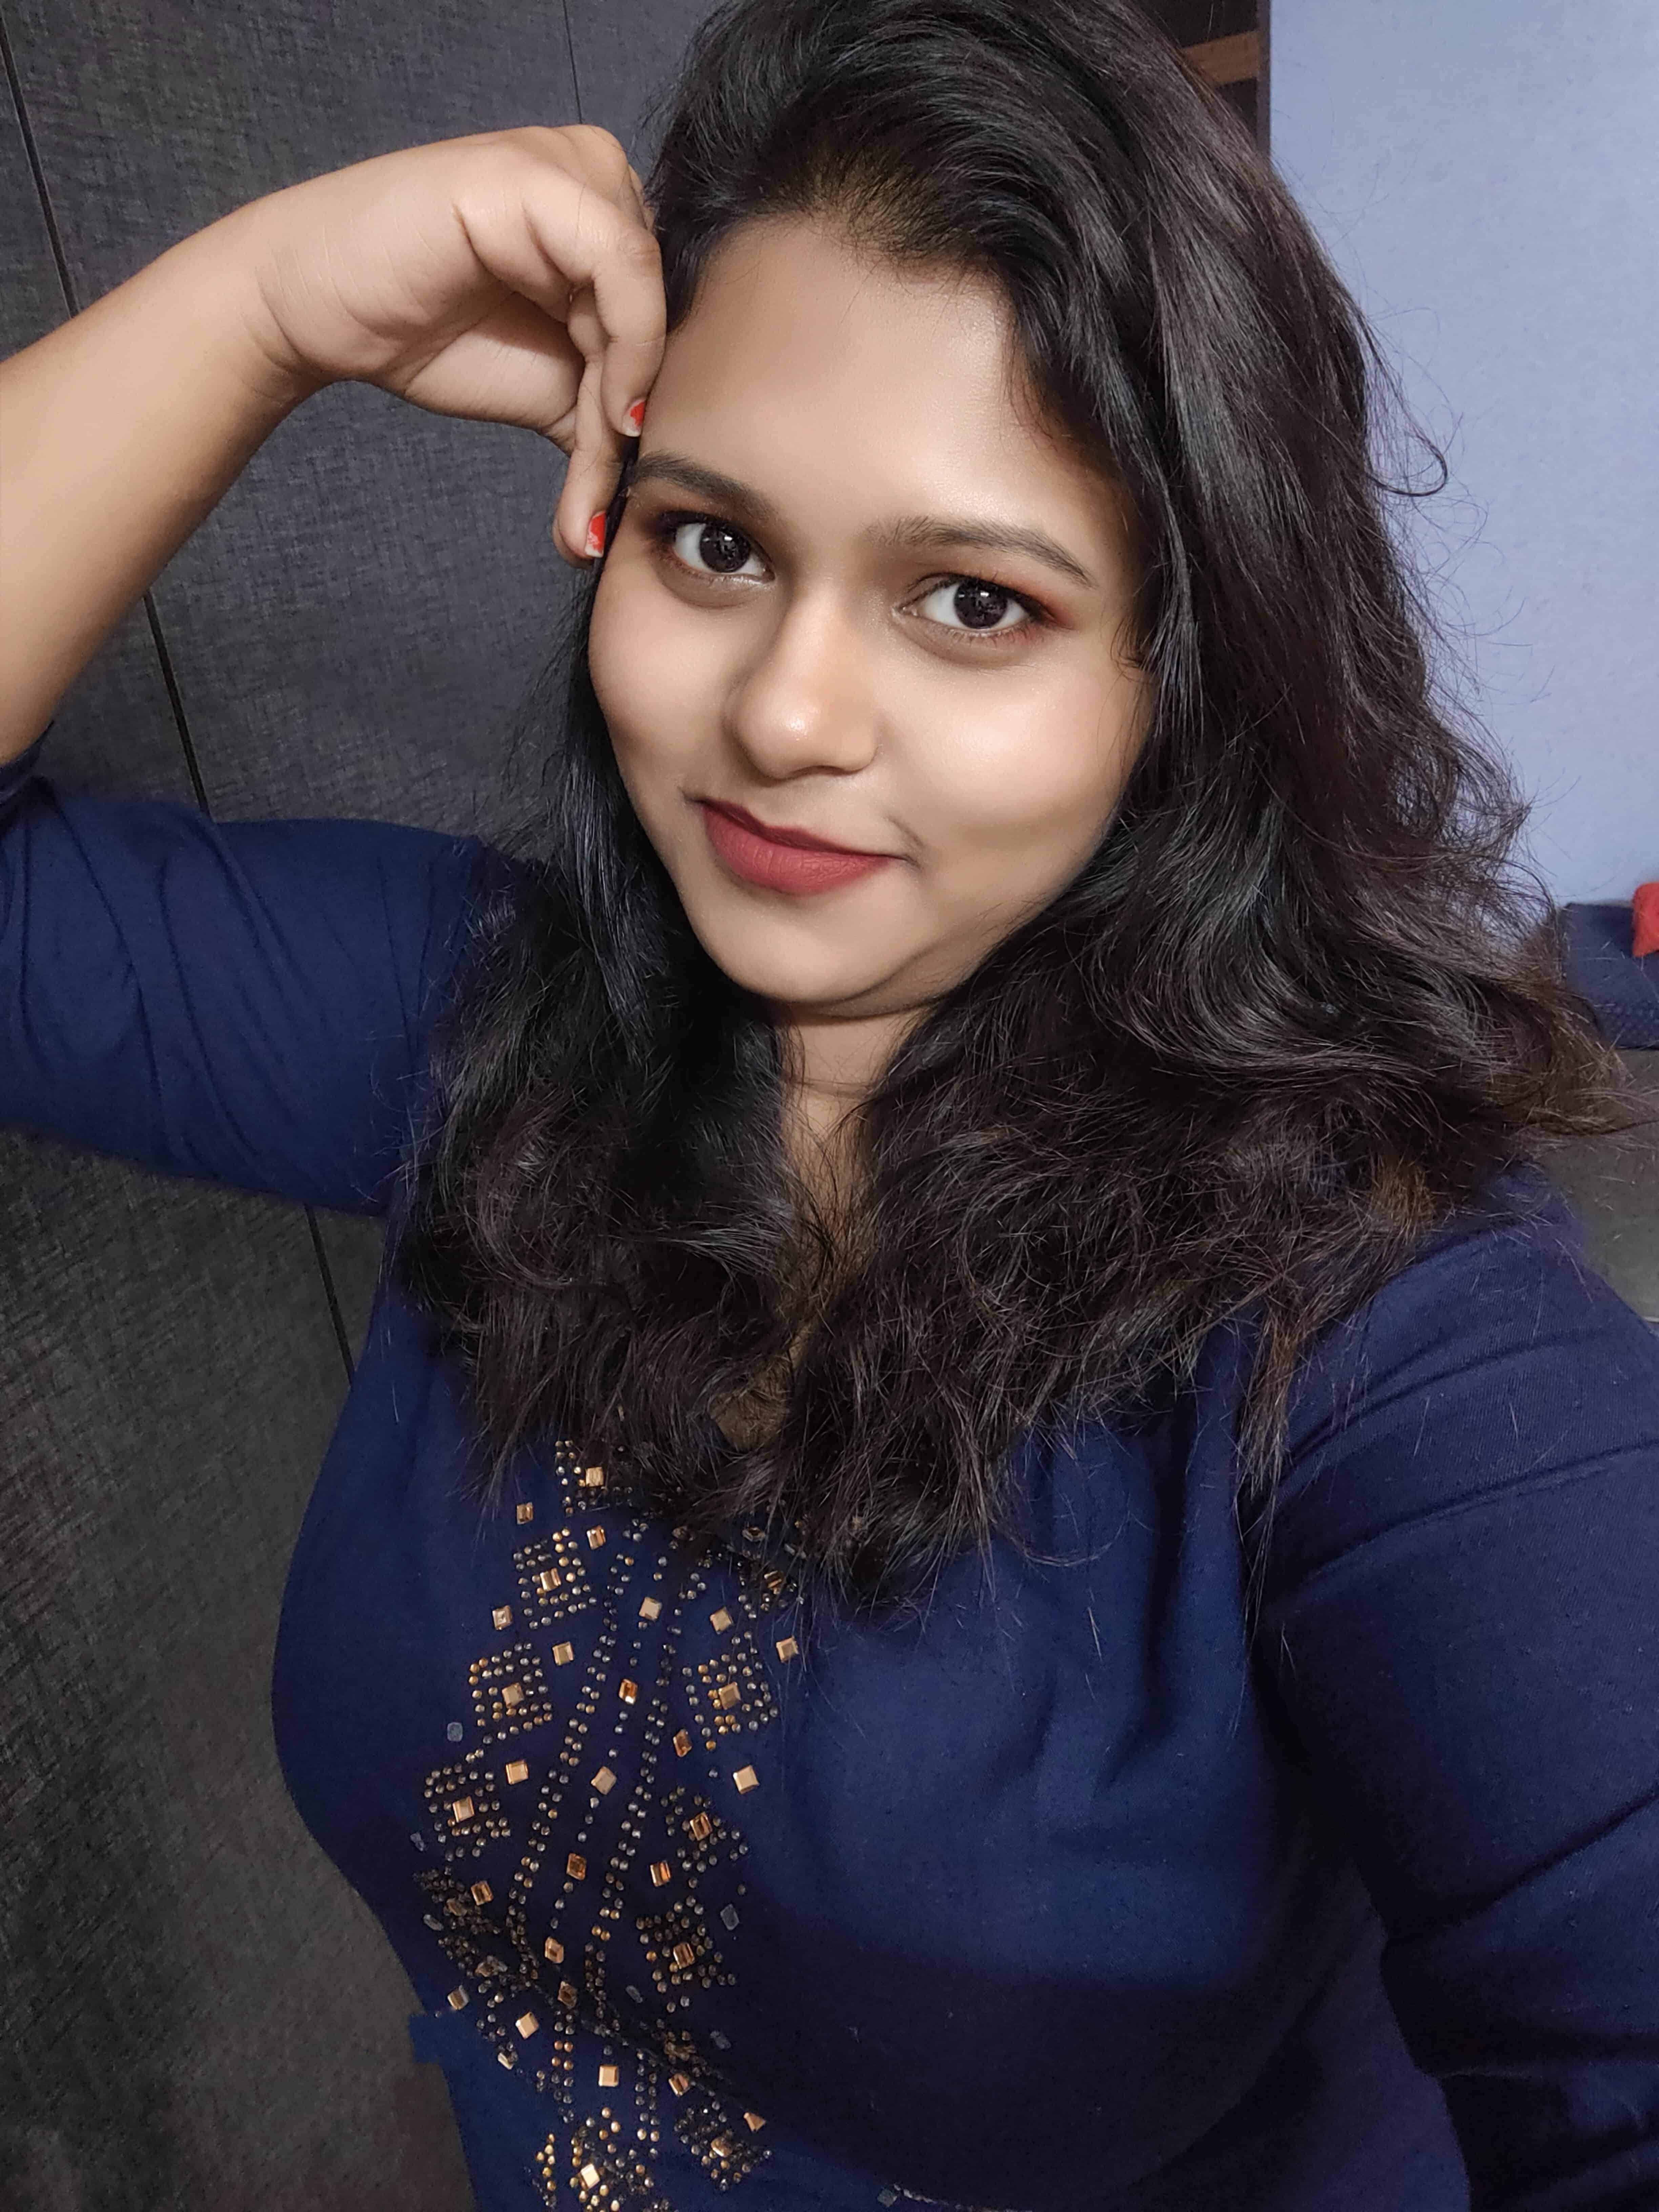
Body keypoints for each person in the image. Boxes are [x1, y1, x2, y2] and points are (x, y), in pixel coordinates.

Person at [3, 1, 1657, 2206]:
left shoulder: (1386, 1338)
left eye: (973, 600)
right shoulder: (483, 1023)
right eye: (713, 543)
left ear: (1182, 686)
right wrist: (257, 309)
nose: (785, 712)